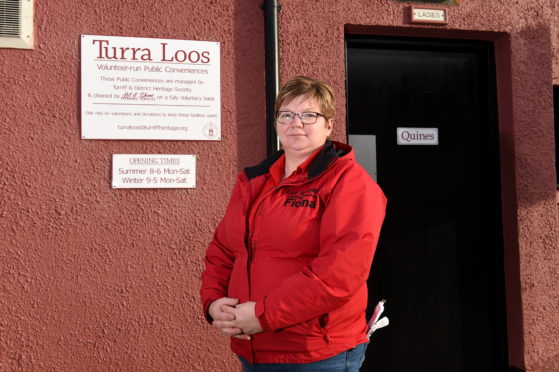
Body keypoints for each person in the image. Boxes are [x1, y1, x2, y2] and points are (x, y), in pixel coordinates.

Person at [200, 76, 386, 371]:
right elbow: (223, 249)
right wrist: (214, 301)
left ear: (328, 124)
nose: (295, 123)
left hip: (316, 353)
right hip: (253, 348)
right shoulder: (253, 181)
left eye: (308, 115)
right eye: (286, 115)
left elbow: (338, 274)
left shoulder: (349, 184)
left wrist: (263, 315)